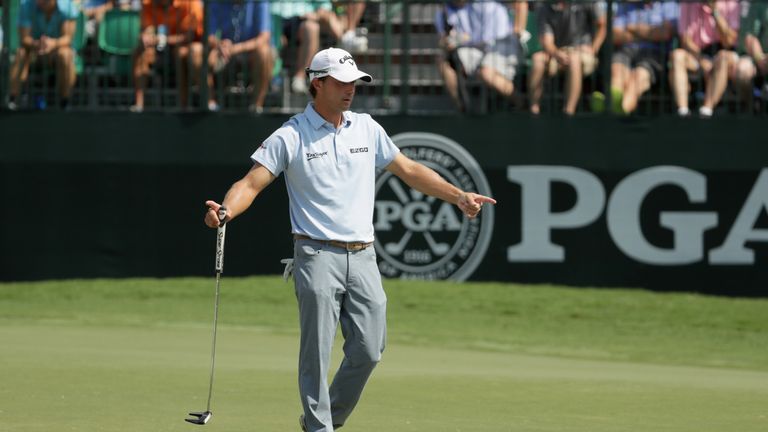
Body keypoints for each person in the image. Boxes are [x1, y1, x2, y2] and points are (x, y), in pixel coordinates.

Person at [203, 47, 496, 432]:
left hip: (363, 257)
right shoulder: (291, 134)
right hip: (316, 254)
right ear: (317, 83)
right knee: (317, 354)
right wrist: (225, 211)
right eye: (341, 83)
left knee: (370, 349)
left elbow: (408, 169)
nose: (350, 90)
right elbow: (251, 183)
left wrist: (458, 196)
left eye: (354, 83)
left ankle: (326, 420)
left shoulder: (367, 127)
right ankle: (319, 426)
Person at [434, 0, 528, 113]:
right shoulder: (444, 12)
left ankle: (523, 104)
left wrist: (519, 30)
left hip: (503, 46)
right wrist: (448, 42)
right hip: (475, 50)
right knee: (442, 60)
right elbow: (444, 41)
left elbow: (521, 2)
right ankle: (462, 109)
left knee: (486, 73)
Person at [528, 1, 607, 115]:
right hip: (556, 53)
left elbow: (602, 24)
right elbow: (547, 41)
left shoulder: (589, 3)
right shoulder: (545, 6)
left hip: (582, 54)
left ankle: (569, 112)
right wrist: (556, 53)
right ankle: (534, 110)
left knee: (573, 59)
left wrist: (594, 48)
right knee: (537, 59)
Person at [271, 1, 367, 94]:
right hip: (276, 19)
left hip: (303, 19)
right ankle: (346, 39)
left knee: (313, 26)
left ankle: (299, 79)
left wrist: (315, 14)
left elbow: (323, 7)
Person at [606, 0, 678, 114]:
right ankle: (612, 109)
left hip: (655, 53)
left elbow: (664, 33)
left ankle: (619, 113)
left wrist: (632, 28)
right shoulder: (625, 5)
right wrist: (647, 34)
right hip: (626, 51)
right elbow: (614, 35)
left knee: (637, 77)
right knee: (617, 72)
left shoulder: (668, 4)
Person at [670, 0, 740, 117]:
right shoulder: (687, 4)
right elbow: (685, 40)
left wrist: (715, 12)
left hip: (723, 54)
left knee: (722, 58)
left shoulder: (731, 4)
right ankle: (683, 111)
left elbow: (729, 41)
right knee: (677, 56)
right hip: (696, 55)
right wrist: (701, 58)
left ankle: (706, 111)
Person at [131, 0, 203, 112]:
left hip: (185, 48)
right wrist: (146, 37)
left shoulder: (191, 3)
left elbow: (190, 36)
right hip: (159, 51)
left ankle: (184, 106)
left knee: (182, 53)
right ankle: (139, 105)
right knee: (141, 53)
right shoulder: (147, 4)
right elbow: (147, 29)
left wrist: (164, 40)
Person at [8, 0, 79, 110]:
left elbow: (68, 38)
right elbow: (24, 39)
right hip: (33, 51)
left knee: (65, 54)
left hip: (57, 50)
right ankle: (12, 100)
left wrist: (53, 44)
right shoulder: (26, 4)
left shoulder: (67, 6)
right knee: (21, 53)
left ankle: (65, 102)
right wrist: (38, 44)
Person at [206, 0, 273, 113]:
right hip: (226, 53)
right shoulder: (216, 3)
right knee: (207, 56)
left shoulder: (260, 3)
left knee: (264, 53)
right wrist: (220, 44)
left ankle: (256, 105)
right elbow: (209, 35)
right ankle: (211, 104)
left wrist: (236, 48)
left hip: (250, 53)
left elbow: (264, 38)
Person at [734, 1, 768, 109]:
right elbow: (750, 37)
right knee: (742, 70)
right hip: (761, 59)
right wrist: (760, 59)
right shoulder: (760, 5)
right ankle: (752, 109)